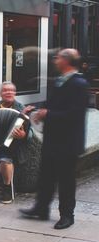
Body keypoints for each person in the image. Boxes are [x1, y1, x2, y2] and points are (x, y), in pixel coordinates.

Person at [19, 48, 88, 229]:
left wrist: (48, 113)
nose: (54, 60)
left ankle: (67, 215)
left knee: (66, 180)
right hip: (52, 139)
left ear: (66, 61)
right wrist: (37, 110)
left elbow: (74, 114)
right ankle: (41, 209)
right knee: (46, 176)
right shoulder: (60, 81)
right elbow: (54, 105)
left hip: (68, 142)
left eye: (57, 58)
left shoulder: (79, 84)